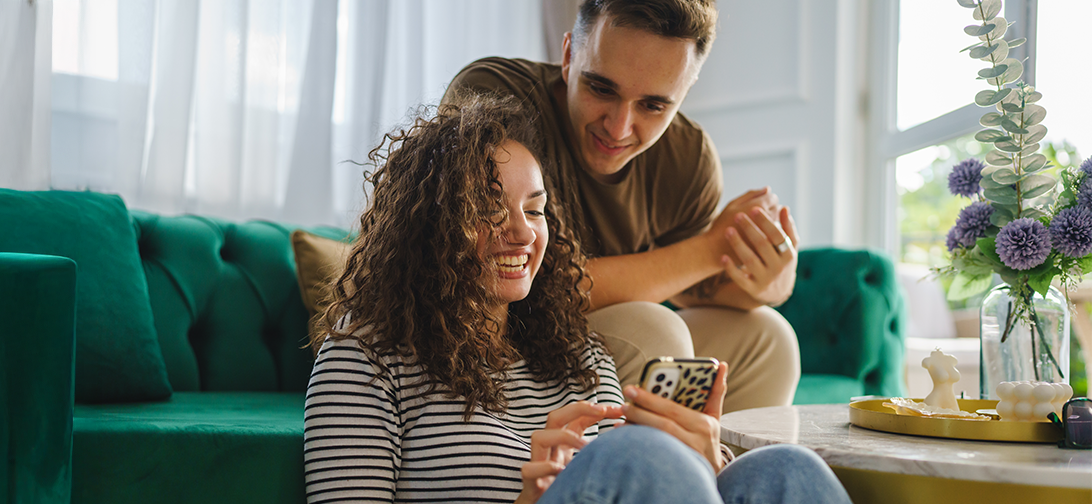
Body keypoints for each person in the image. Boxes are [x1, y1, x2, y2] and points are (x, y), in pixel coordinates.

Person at [302, 94, 848, 504]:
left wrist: (707, 461)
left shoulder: (576, 351)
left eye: (534, 210)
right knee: (635, 455)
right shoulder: (365, 356)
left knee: (784, 469)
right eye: (488, 208)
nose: (522, 233)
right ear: (429, 224)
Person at [440, 0, 801, 412]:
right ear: (568, 56)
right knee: (653, 331)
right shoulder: (493, 97)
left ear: (685, 89)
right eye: (601, 88)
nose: (618, 128)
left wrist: (772, 283)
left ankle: (708, 455)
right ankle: (637, 456)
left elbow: (689, 285)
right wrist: (710, 249)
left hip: (587, 340)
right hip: (501, 339)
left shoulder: (688, 157)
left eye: (653, 105)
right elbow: (533, 285)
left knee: (768, 340)